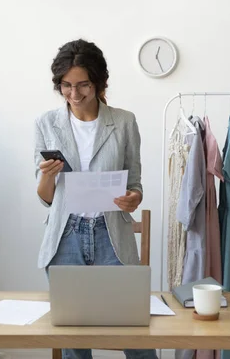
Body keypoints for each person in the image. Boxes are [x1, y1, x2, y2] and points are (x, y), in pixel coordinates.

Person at [34, 39, 158, 359]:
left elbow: (135, 183)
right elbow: (46, 198)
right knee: (74, 338)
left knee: (135, 333)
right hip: (66, 236)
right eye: (66, 85)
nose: (74, 94)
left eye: (83, 85)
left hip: (111, 232)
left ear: (99, 82)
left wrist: (134, 198)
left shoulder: (124, 121)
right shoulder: (46, 124)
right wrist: (47, 174)